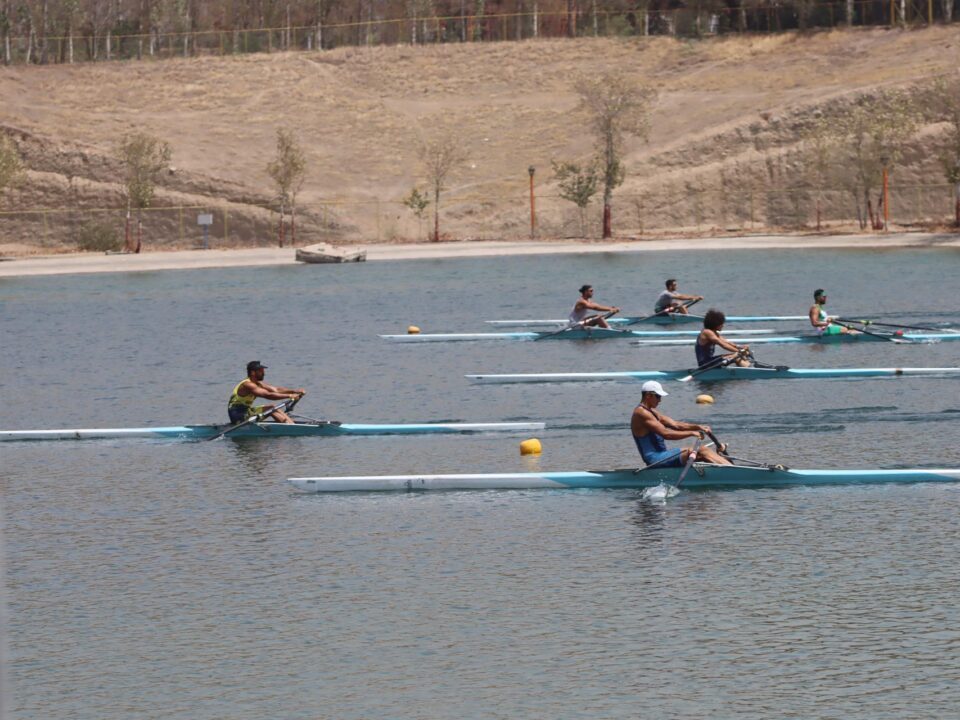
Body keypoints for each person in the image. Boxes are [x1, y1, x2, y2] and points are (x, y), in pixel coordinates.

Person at [631, 381, 732, 467]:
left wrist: (698, 427)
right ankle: (733, 471)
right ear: (648, 395)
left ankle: (729, 468)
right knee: (701, 450)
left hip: (663, 455)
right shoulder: (641, 413)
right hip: (655, 459)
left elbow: (676, 425)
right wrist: (692, 433)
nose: (660, 400)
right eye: (658, 396)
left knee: (702, 456)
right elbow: (667, 434)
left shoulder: (652, 412)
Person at [227, 361, 305, 424]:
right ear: (252, 373)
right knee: (271, 410)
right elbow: (267, 395)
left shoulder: (258, 383)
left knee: (272, 407)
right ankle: (290, 427)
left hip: (247, 411)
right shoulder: (247, 385)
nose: (264, 373)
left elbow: (276, 390)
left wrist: (295, 391)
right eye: (260, 371)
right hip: (238, 416)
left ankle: (292, 425)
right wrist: (290, 396)